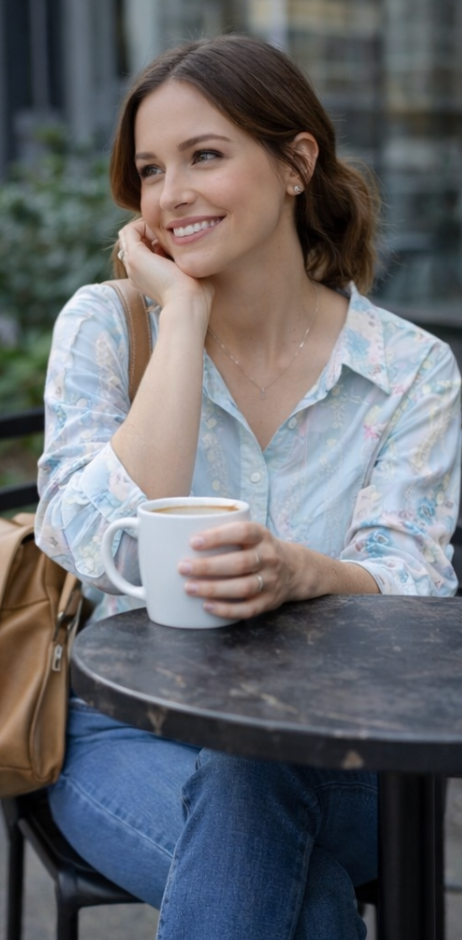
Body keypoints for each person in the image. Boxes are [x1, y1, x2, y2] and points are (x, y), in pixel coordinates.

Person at [35, 34, 461, 940]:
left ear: (297, 162)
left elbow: (418, 584)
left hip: (346, 754)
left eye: (206, 156)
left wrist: (306, 573)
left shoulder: (409, 370)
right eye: (151, 170)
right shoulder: (107, 330)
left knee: (252, 772)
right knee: (300, 901)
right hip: (124, 733)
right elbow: (94, 542)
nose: (171, 194)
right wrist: (182, 319)